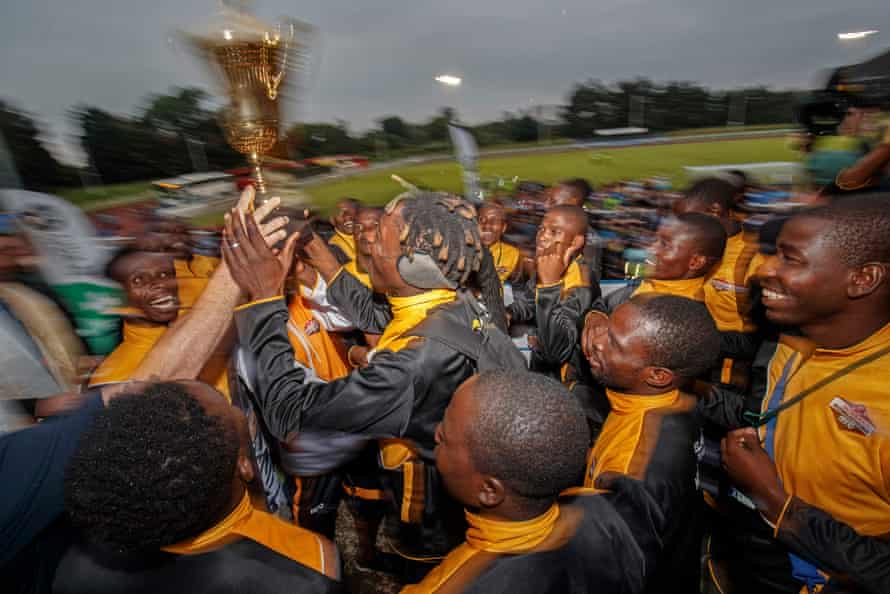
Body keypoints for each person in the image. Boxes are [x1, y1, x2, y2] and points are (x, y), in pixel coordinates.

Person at [223, 192, 524, 561]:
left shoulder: (411, 367)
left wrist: (264, 298)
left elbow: (287, 412)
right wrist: (311, 243)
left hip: (432, 524)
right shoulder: (448, 300)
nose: (366, 242)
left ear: (412, 267)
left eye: (379, 235)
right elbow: (373, 313)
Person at [700, 195, 890, 594]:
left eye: (791, 259)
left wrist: (775, 501)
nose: (762, 271)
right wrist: (695, 391)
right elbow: (769, 416)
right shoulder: (791, 342)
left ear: (863, 278)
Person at [54, 380, 340, 593]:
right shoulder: (309, 565)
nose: (234, 407)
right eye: (227, 406)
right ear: (243, 464)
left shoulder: (71, 564)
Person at [402, 369, 658, 594]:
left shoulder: (454, 585)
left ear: (490, 491)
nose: (436, 432)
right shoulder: (604, 507)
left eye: (445, 438)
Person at [580, 294, 720, 594]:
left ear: (657, 375)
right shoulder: (676, 400)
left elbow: (618, 572)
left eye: (614, 343)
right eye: (606, 328)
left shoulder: (632, 470)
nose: (596, 342)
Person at [87, 249, 230, 399]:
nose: (160, 284)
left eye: (164, 274)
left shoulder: (208, 327)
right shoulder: (113, 381)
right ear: (118, 297)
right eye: (138, 280)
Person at [674, 178, 764, 388]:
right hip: (691, 369)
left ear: (715, 211)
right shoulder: (688, 250)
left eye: (691, 220)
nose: (685, 229)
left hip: (733, 381)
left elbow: (762, 340)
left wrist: (699, 338)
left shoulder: (755, 257)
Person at [508, 205, 595, 381]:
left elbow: (557, 352)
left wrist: (549, 286)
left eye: (554, 231)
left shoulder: (581, 283)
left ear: (576, 242)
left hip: (562, 385)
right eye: (541, 229)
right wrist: (509, 312)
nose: (542, 236)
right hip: (542, 375)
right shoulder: (551, 266)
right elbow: (530, 301)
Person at [477, 201, 521, 284]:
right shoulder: (463, 249)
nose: (487, 225)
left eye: (494, 221)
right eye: (482, 219)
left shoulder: (513, 254)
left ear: (503, 228)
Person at [328, 198, 360, 263]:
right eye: (340, 212)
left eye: (351, 211)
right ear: (332, 220)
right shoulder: (333, 247)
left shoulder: (372, 235)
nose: (347, 216)